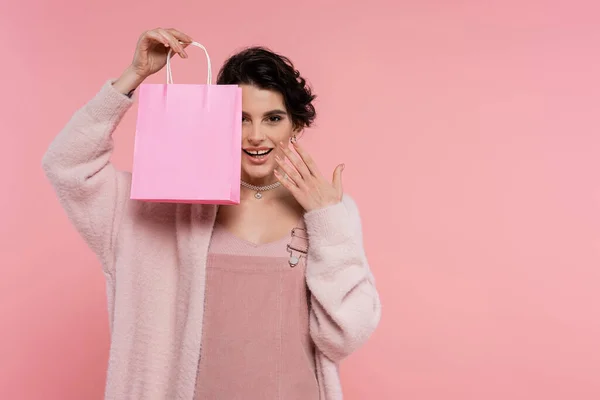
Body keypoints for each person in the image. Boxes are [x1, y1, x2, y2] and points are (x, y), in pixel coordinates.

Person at [42, 27, 381, 400]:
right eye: (240, 118)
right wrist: (132, 76)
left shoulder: (328, 213)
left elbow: (345, 335)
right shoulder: (166, 206)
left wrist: (327, 221)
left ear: (296, 126)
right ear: (218, 119)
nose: (255, 136)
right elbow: (67, 165)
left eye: (273, 118)